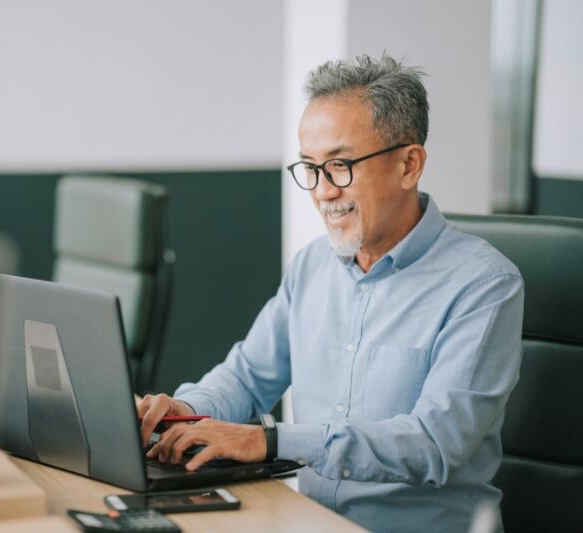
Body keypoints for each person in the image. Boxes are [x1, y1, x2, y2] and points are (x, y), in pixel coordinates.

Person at [138, 53, 524, 532]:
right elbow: (246, 377)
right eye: (310, 168)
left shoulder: (484, 285)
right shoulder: (312, 265)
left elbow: (433, 443)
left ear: (409, 164)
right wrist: (186, 412)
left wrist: (270, 441)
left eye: (340, 166)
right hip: (309, 522)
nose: (322, 191)